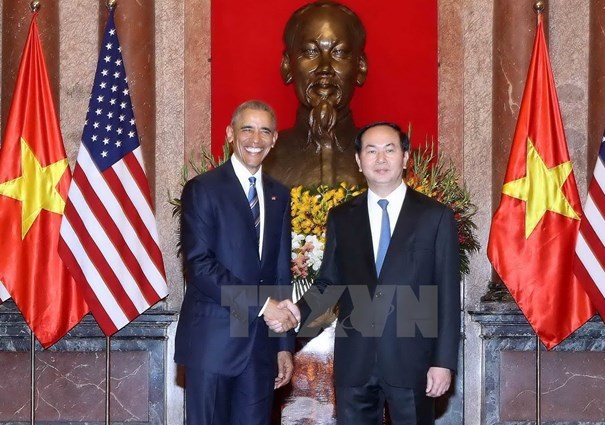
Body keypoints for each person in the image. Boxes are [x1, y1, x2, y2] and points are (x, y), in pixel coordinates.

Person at [269, 122, 461, 424]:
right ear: (359, 161)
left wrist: (443, 361)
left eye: (389, 150)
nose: (380, 159)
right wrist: (296, 311)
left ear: (405, 157)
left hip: (414, 361)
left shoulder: (435, 217)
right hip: (355, 362)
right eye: (371, 151)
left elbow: (448, 295)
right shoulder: (342, 217)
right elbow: (330, 283)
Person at [174, 100, 299, 425]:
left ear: (274, 140)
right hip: (212, 344)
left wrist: (284, 345)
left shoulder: (279, 195)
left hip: (259, 350)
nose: (255, 138)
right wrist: (262, 305)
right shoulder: (203, 189)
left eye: (265, 131)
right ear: (231, 134)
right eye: (247, 128)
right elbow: (200, 266)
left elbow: (280, 272)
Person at [263, 0, 368, 187]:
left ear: (360, 67)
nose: (325, 68)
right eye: (311, 52)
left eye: (339, 52)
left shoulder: (392, 160)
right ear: (287, 66)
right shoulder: (261, 157)